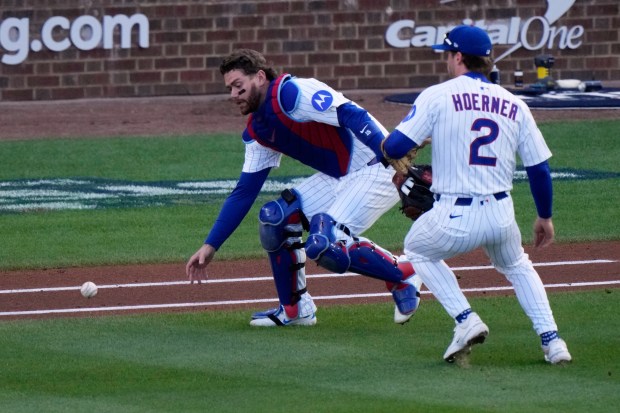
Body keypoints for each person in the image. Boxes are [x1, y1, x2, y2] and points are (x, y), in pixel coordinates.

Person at [185, 49, 422, 327]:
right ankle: (296, 310)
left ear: (260, 77)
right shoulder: (258, 130)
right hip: (338, 176)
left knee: (326, 244)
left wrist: (390, 154)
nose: (233, 94)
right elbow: (244, 192)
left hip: (376, 167)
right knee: (275, 218)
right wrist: (211, 245)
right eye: (230, 89)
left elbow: (351, 114)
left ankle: (405, 272)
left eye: (239, 85)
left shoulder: (293, 93)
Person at [381, 26, 572, 364]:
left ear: (458, 57)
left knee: (417, 249)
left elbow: (394, 146)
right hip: (501, 214)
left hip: (454, 215)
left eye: (447, 54)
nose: (446, 60)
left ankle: (466, 319)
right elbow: (539, 169)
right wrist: (544, 216)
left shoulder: (438, 95)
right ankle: (553, 342)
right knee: (518, 265)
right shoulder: (515, 104)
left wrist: (414, 141)